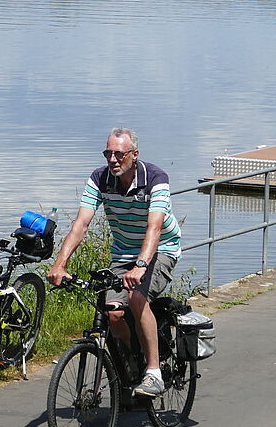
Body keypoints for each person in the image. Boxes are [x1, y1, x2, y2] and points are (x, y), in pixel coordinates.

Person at [48, 127, 181, 397]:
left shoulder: (155, 178)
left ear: (134, 155)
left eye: (119, 154)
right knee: (112, 312)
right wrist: (59, 264)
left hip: (160, 250)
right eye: (108, 153)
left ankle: (154, 372)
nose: (112, 160)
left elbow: (154, 228)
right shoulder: (99, 179)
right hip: (122, 253)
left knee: (135, 297)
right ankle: (133, 361)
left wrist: (141, 266)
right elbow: (81, 224)